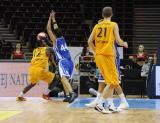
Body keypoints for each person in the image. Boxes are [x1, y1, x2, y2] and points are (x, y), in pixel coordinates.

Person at [88, 7, 128, 114]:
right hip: (108, 56)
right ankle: (100, 104)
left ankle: (110, 105)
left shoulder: (97, 25)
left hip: (99, 56)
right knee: (112, 82)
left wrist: (95, 51)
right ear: (112, 14)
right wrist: (124, 43)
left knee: (111, 81)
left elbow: (89, 41)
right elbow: (119, 41)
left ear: (102, 15)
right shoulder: (114, 25)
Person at [85, 42, 129, 111]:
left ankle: (117, 102)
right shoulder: (100, 35)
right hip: (104, 56)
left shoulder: (111, 33)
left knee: (113, 82)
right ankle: (101, 101)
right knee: (102, 80)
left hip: (111, 57)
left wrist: (123, 43)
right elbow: (90, 41)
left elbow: (116, 41)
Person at [46, 10, 77, 103]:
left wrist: (50, 17)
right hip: (70, 61)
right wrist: (54, 18)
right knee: (64, 79)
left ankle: (72, 93)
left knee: (63, 78)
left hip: (63, 61)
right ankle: (67, 95)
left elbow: (48, 29)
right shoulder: (62, 39)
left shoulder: (55, 41)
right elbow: (56, 28)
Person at [16, 32, 56, 101]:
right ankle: (45, 94)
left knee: (32, 84)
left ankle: (20, 96)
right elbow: (55, 48)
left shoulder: (35, 50)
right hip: (39, 70)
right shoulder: (47, 49)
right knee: (56, 79)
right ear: (43, 42)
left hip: (32, 69)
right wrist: (46, 39)